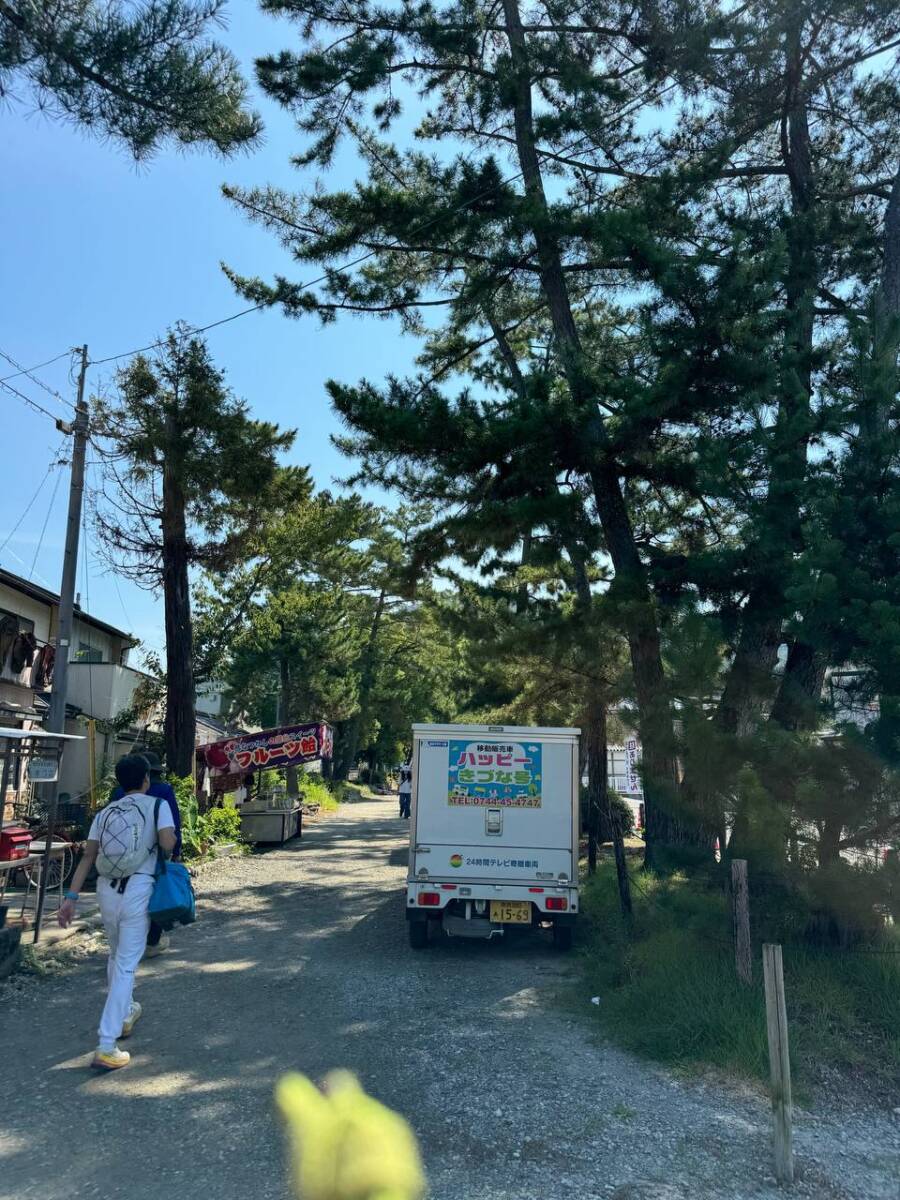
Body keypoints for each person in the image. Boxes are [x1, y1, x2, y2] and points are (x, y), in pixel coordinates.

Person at [58, 754, 176, 1072]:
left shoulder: (106, 812)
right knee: (126, 964)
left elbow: (87, 857)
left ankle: (125, 1012)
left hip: (106, 890)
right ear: (146, 780)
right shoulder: (156, 805)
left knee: (115, 954)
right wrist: (167, 840)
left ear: (120, 783)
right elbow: (167, 843)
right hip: (138, 888)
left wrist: (70, 897)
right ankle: (107, 1045)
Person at [109, 750, 181, 958]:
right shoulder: (164, 791)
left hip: (123, 853)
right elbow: (174, 824)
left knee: (126, 895)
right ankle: (151, 942)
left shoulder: (118, 794)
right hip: (155, 853)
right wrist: (175, 852)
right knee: (155, 896)